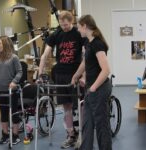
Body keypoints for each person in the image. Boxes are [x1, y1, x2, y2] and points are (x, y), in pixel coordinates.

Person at [38, 10, 84, 149]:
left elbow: (86, 54)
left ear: (71, 22)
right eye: (61, 24)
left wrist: (83, 75)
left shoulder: (78, 33)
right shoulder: (56, 34)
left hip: (75, 73)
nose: (64, 27)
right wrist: (40, 73)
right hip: (60, 74)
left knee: (79, 104)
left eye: (66, 24)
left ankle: (82, 133)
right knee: (66, 106)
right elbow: (45, 54)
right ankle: (71, 134)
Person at [71, 14, 112, 150]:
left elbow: (106, 70)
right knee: (87, 125)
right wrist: (76, 75)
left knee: (101, 125)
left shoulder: (97, 44)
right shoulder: (89, 42)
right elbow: (85, 62)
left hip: (99, 89)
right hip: (91, 89)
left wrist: (93, 87)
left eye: (79, 27)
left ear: (85, 26)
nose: (78, 30)